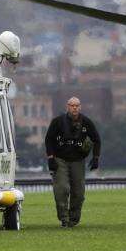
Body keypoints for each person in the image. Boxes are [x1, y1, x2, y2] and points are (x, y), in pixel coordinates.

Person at [44, 97, 102, 228]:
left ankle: (73, 218)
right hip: (60, 159)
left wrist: (96, 157)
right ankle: (64, 217)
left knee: (79, 192)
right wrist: (51, 158)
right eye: (72, 105)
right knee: (62, 188)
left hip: (78, 160)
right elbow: (48, 140)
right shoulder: (57, 122)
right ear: (67, 107)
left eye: (77, 105)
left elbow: (97, 139)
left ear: (80, 107)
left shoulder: (87, 122)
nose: (74, 108)